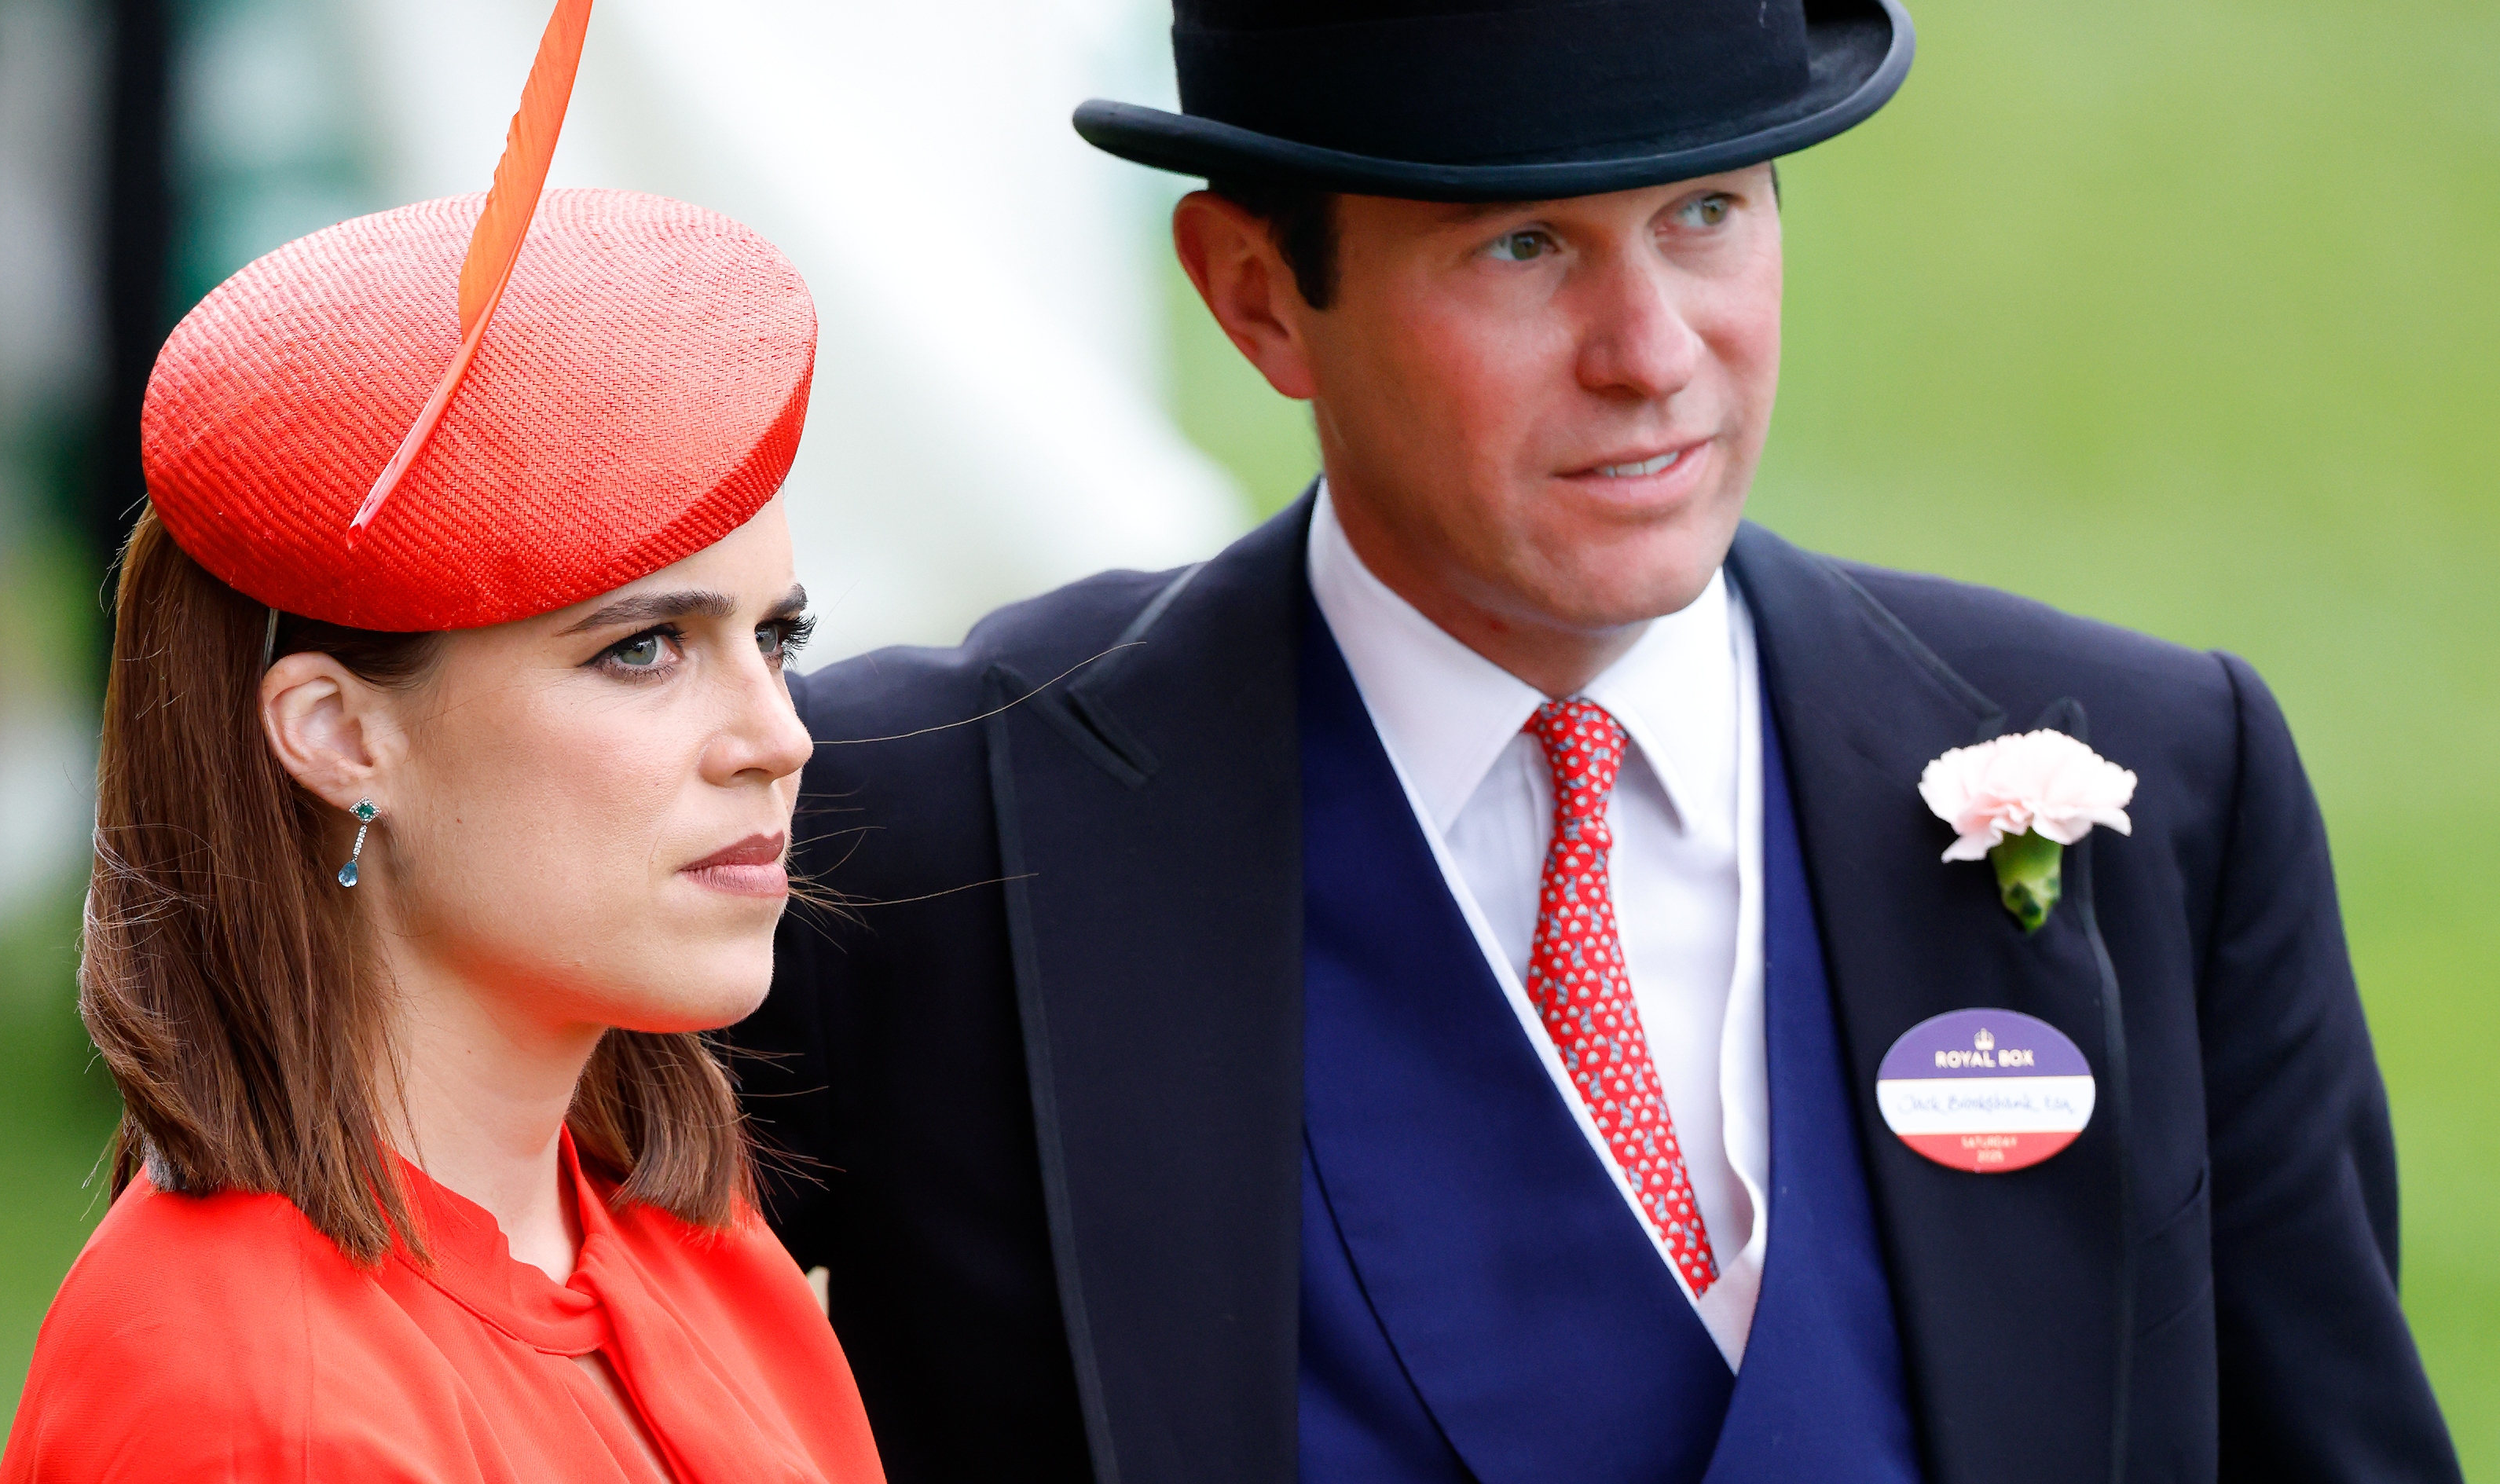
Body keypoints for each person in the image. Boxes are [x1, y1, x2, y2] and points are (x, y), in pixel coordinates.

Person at [731, 0, 2462, 1480]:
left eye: (1707, 212)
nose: (1652, 356)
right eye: (1525, 245)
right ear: (1257, 295)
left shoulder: (2167, 780)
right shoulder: (909, 832)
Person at [0, 7, 884, 1480]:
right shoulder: (241, 1403)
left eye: (771, 637)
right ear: (342, 734)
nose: (776, 736)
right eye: (642, 647)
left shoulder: (683, 1230)